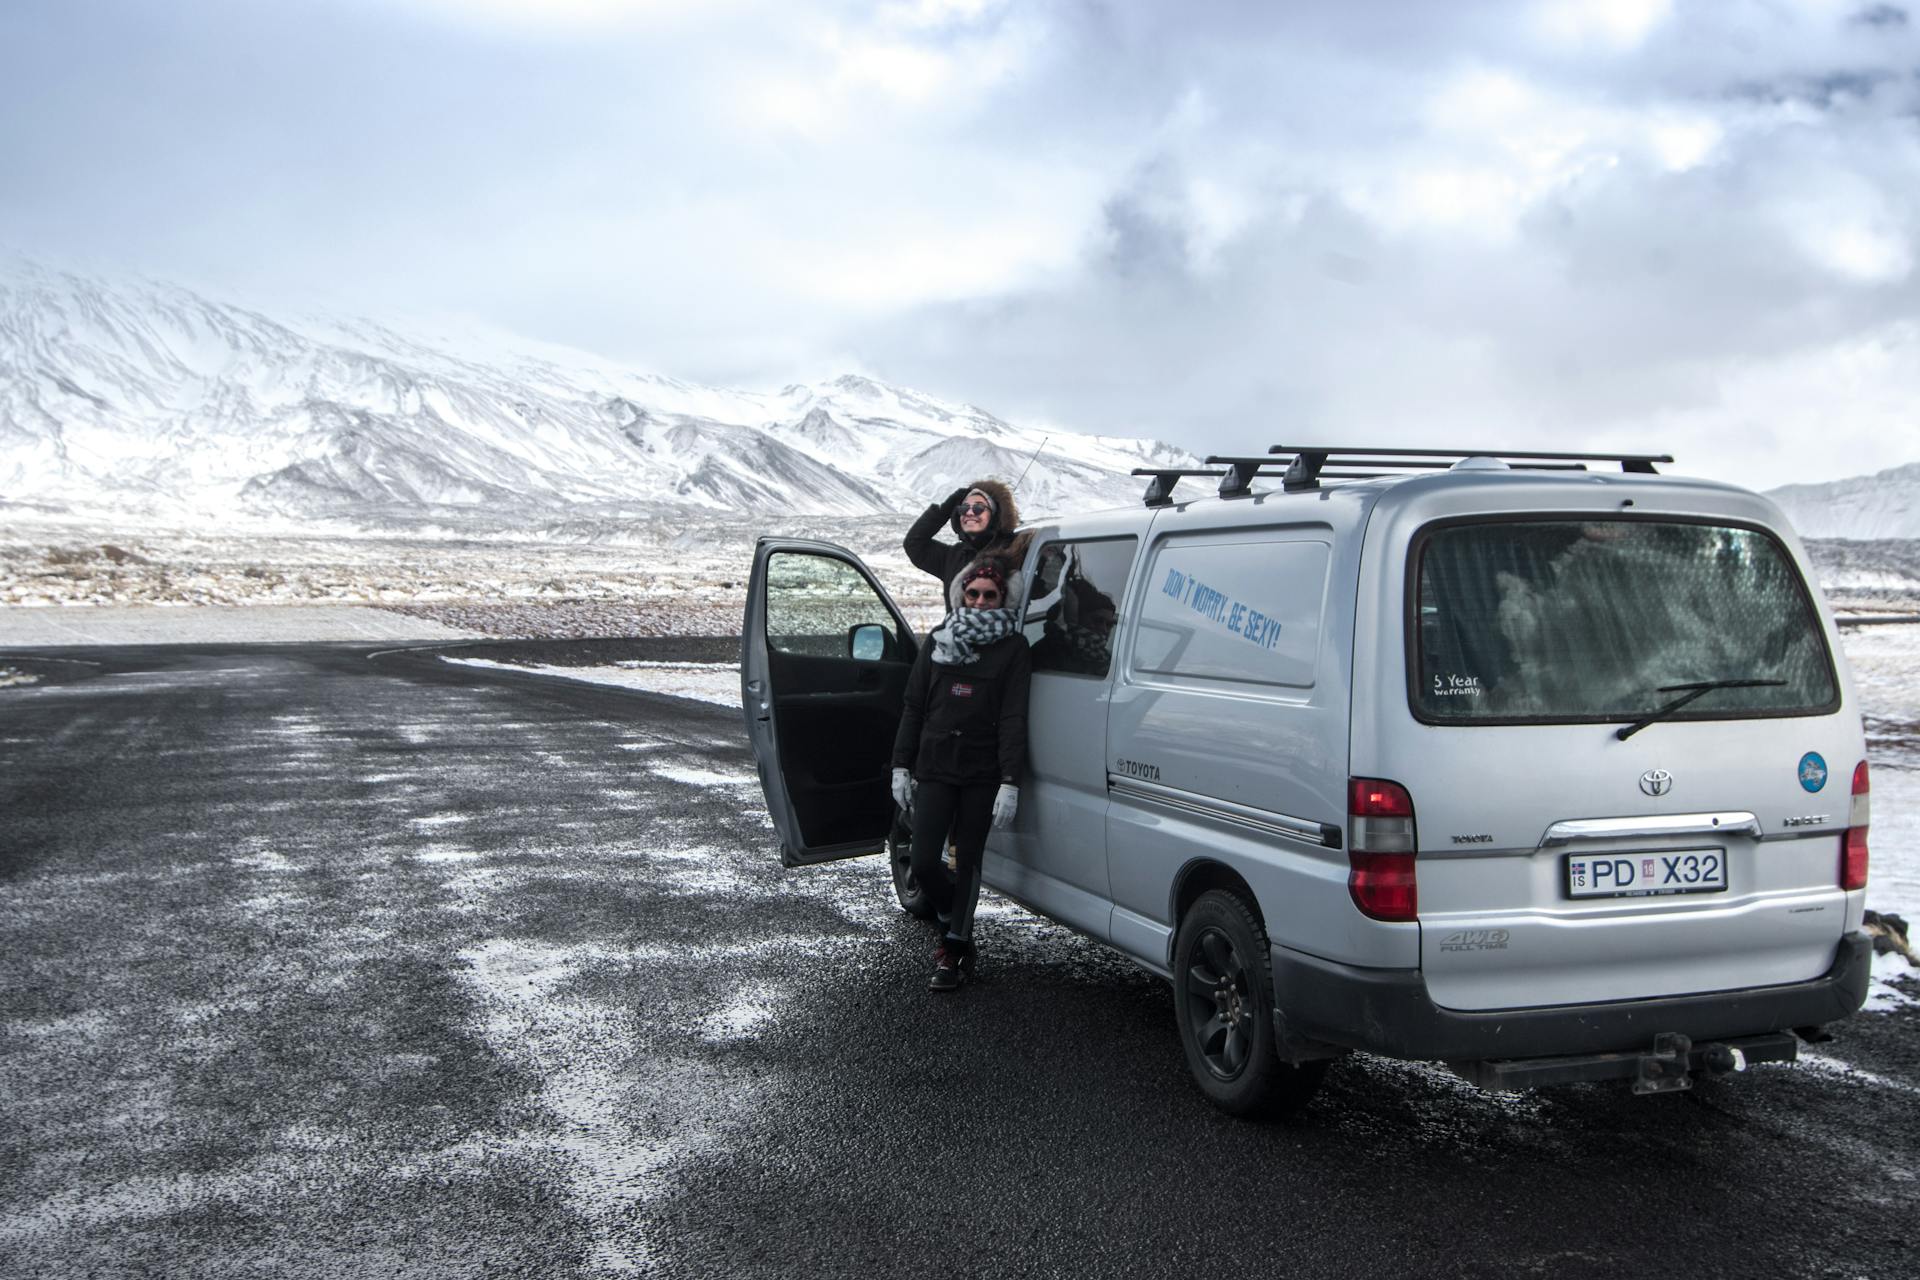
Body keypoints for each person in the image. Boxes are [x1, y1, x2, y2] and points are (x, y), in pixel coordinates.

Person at [890, 559, 1031, 991]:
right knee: (926, 859)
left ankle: (954, 949)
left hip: (981, 770)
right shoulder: (938, 639)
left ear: (1002, 597)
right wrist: (900, 764)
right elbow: (914, 705)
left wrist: (1010, 780)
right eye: (974, 594)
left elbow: (1012, 717)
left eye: (991, 595)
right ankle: (955, 916)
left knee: (968, 858)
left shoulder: (1013, 648)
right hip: (935, 764)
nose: (982, 602)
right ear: (961, 596)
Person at [904, 478, 1032, 611]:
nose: (970, 513)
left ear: (995, 514)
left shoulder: (1016, 549)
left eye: (978, 508)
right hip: (957, 631)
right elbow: (914, 544)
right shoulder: (953, 556)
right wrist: (946, 507)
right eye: (964, 508)